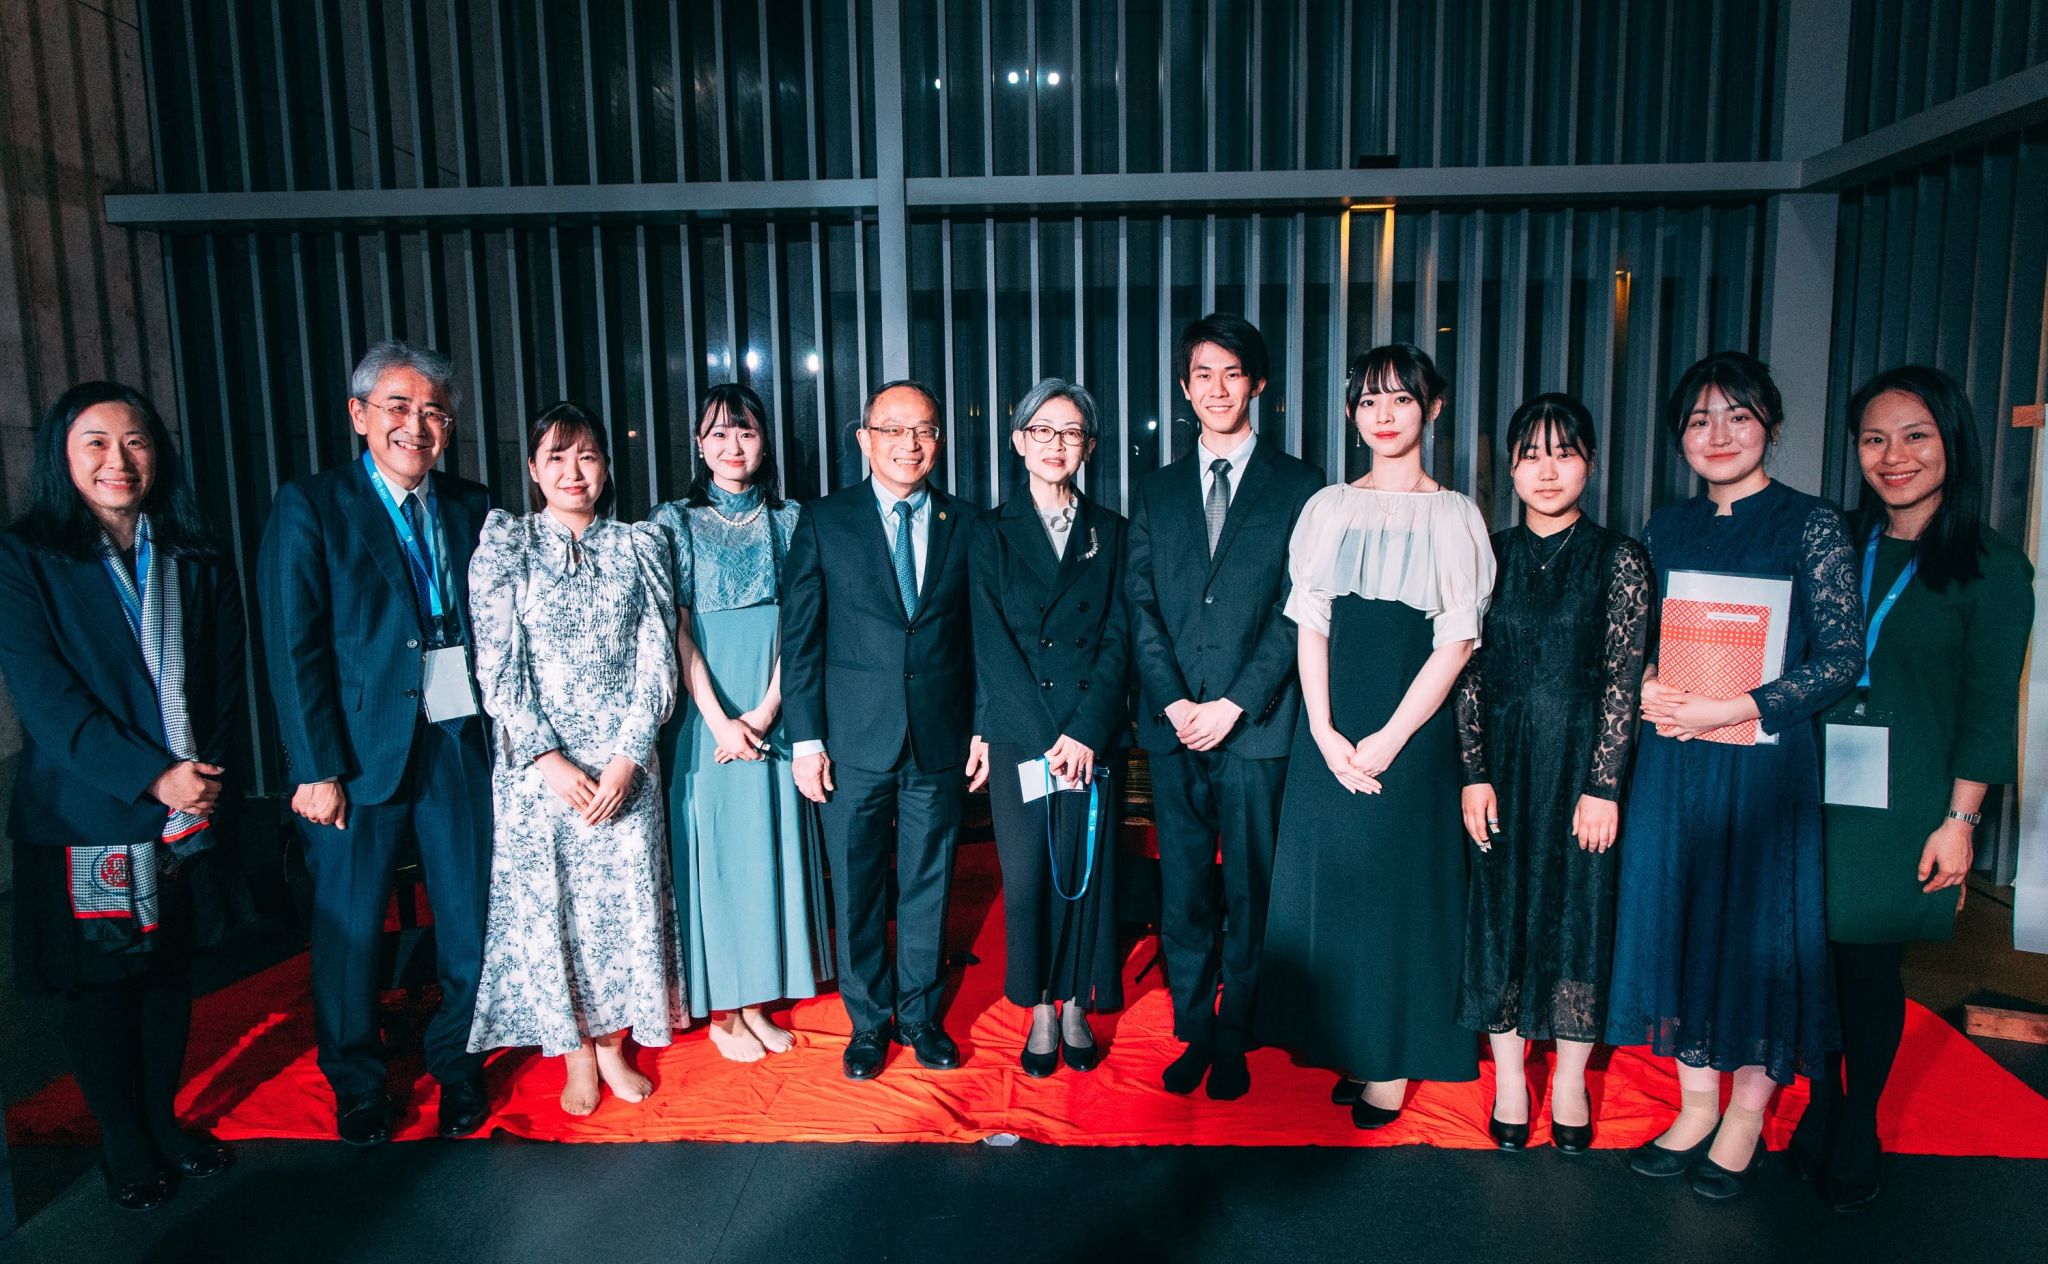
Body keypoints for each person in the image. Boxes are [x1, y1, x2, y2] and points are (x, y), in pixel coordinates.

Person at [1605, 351, 1862, 1199]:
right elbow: (1640, 636)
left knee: (1755, 936)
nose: (1718, 434)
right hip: (1675, 762)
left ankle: (1745, 1118)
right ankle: (1694, 1106)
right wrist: (1645, 679)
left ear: (1772, 427)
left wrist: (1735, 707)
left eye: (1738, 416)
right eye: (1699, 420)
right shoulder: (1667, 526)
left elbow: (1840, 659)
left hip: (1761, 767)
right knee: (1678, 922)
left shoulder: (1811, 523)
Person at [1788, 366, 2033, 1210]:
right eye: (1874, 439)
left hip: (1908, 794)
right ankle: (1820, 1100)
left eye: (1915, 436)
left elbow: (1989, 707)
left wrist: (1960, 819)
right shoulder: (1832, 541)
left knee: (1866, 960)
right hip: (1810, 780)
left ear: (1952, 441)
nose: (1894, 456)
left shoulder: (1992, 566)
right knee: (1810, 954)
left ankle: (1859, 1118)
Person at [0, 383, 240, 1211]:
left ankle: (163, 1122)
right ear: (62, 456)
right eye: (95, 442)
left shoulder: (192, 554)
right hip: (87, 815)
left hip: (184, 809)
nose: (118, 460)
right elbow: (47, 699)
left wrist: (203, 776)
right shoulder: (28, 559)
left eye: (135, 441)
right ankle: (124, 1142)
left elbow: (224, 676)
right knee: (104, 984)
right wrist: (153, 776)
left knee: (168, 973)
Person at [256, 340, 495, 1145]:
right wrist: (315, 766)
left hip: (457, 742)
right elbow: (293, 646)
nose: (416, 425)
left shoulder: (470, 505)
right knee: (350, 930)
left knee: (469, 919)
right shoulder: (312, 504)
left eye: (433, 411)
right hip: (355, 756)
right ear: (359, 415)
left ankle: (458, 1066)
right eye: (398, 407)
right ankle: (357, 1083)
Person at [1255, 344, 1493, 1127]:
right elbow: (1310, 623)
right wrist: (1322, 729)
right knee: (1340, 888)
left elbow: (1456, 643)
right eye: (1368, 401)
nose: (1383, 416)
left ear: (1433, 407)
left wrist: (1390, 738)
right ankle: (1354, 1044)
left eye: (1400, 399)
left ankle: (1391, 1059)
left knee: (1397, 894)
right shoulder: (1328, 507)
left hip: (1411, 728)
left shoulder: (1456, 515)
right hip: (1329, 724)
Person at [1128, 313, 1324, 1100]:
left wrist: (1237, 703)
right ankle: (1194, 1028)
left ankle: (1238, 1029)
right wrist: (1176, 700)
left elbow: (1299, 606)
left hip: (1256, 728)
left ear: (1258, 384)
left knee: (1251, 887)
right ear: (1185, 388)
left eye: (1232, 373)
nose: (1217, 388)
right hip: (1174, 728)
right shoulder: (1157, 490)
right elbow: (1140, 604)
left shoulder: (1300, 485)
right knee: (1183, 890)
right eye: (1203, 374)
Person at [465, 403, 682, 1113]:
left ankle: (614, 1045)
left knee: (621, 908)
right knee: (551, 908)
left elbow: (658, 661)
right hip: (540, 773)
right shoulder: (507, 545)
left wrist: (628, 757)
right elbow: (497, 667)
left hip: (625, 767)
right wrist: (548, 760)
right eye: (555, 457)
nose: (572, 471)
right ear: (533, 469)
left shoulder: (639, 546)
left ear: (606, 467)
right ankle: (574, 1053)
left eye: (586, 455)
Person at [1453, 393, 1651, 1151]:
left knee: (1579, 912)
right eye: (1530, 455)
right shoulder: (1486, 552)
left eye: (1563, 453)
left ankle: (1569, 1079)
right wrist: (1473, 771)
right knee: (1497, 910)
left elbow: (1623, 680)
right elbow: (1467, 670)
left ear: (1590, 464)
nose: (1546, 470)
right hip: (1500, 766)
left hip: (1579, 763)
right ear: (1509, 468)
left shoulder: (1619, 558)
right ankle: (1510, 1078)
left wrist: (1604, 785)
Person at [781, 380, 978, 1080]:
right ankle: (868, 1023)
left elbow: (981, 638)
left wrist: (981, 729)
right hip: (850, 742)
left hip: (938, 739)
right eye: (892, 430)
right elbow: (800, 639)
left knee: (930, 882)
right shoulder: (824, 520)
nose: (909, 444)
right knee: (858, 885)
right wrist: (806, 740)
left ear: (938, 442)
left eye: (923, 430)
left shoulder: (966, 523)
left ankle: (920, 1016)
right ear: (864, 440)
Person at [652, 385, 831, 1062]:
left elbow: (803, 624)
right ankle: (724, 1012)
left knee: (767, 851)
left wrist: (765, 710)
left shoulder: (792, 519)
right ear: (699, 445)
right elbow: (676, 628)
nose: (733, 446)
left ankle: (756, 1001)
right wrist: (722, 721)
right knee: (718, 856)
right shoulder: (671, 521)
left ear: (765, 442)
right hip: (705, 711)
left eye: (747, 432)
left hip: (772, 702)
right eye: (719, 434)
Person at [967, 379, 1132, 1076]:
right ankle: (1038, 1003)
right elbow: (990, 642)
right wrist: (1045, 738)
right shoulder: (988, 532)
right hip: (1022, 736)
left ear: (1088, 446)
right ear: (1018, 442)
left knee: (1088, 870)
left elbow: (1121, 636)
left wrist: (1087, 730)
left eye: (1070, 432)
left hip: (1090, 734)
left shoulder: (1113, 532)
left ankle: (1076, 1004)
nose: (1055, 444)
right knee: (1030, 872)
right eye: (1042, 430)